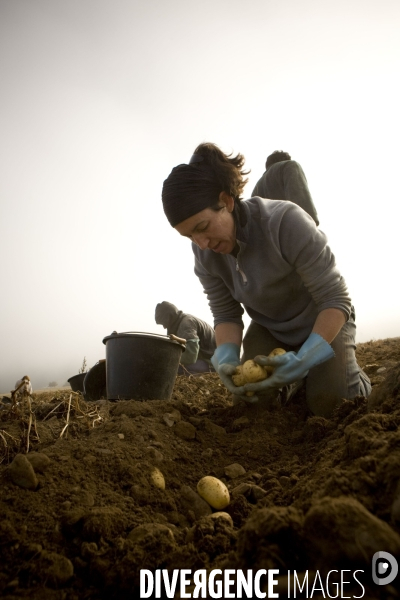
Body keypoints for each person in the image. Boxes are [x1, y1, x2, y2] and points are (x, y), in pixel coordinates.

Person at [161, 143, 371, 417]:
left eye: (202, 227)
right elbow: (226, 313)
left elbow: (336, 299)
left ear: (226, 201)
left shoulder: (285, 222)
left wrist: (307, 356)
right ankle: (297, 384)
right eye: (189, 236)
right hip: (270, 327)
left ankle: (347, 377)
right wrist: (226, 355)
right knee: (250, 403)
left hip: (323, 320)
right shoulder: (205, 255)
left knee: (331, 404)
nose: (201, 244)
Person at [252, 150, 319, 226]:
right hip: (292, 230)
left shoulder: (256, 188)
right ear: (285, 159)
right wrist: (310, 224)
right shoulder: (289, 165)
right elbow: (300, 198)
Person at [155, 301, 216, 374]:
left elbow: (190, 357)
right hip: (203, 360)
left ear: (171, 317)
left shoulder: (187, 324)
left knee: (172, 369)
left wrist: (168, 360)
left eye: (164, 323)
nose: (164, 327)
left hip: (211, 363)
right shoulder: (177, 323)